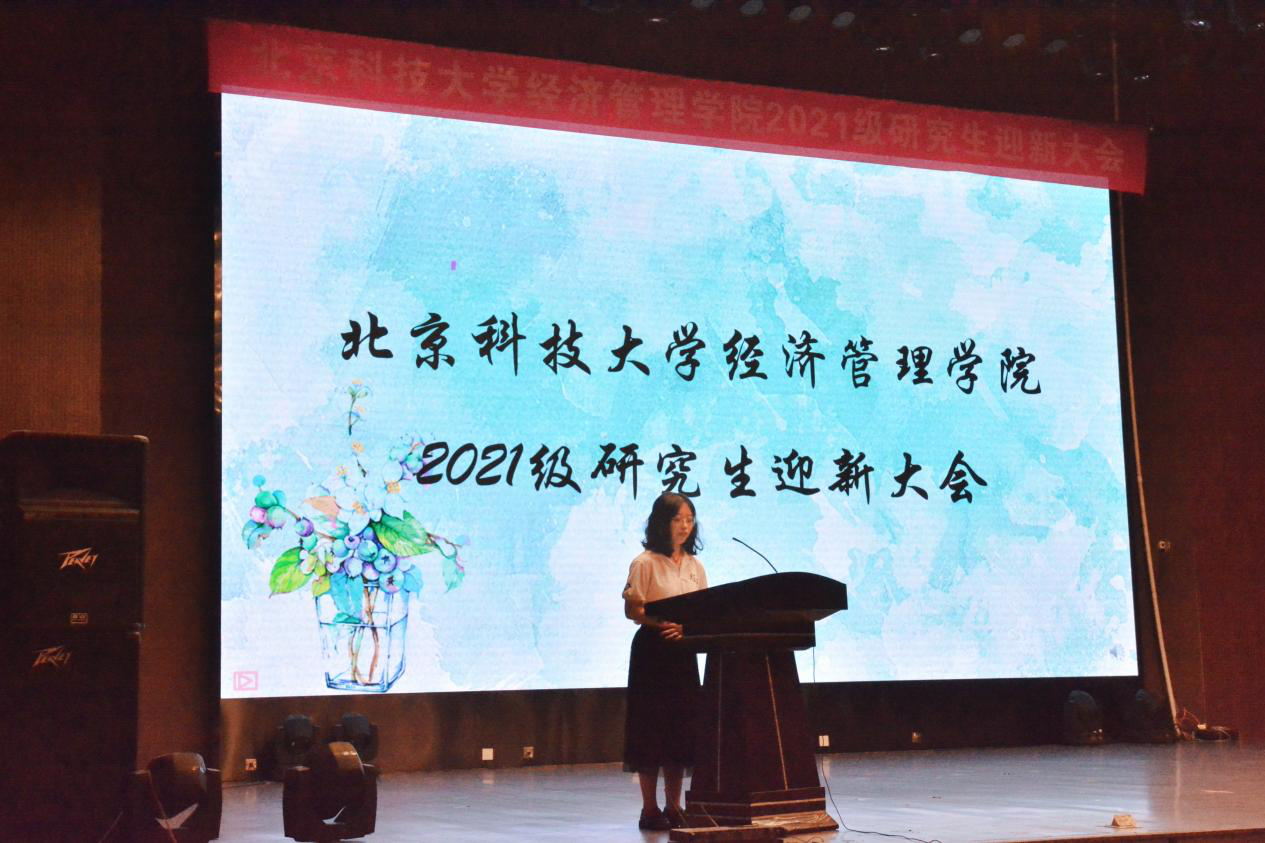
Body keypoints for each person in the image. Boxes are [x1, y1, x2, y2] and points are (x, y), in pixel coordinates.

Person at [621, 492, 708, 831]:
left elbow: (703, 609)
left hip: (683, 651)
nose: (685, 526)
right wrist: (661, 624)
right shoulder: (644, 563)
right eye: (677, 519)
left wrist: (689, 629)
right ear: (662, 522)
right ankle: (649, 809)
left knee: (680, 730)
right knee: (651, 729)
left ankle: (674, 807)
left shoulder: (695, 565)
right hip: (652, 653)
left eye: (690, 520)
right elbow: (632, 610)